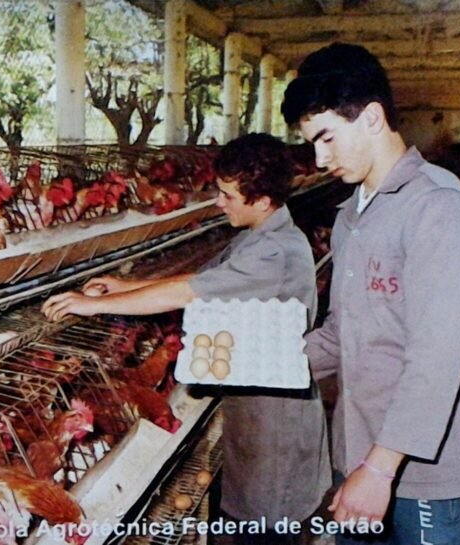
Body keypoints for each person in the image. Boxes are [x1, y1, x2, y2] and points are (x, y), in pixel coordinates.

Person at [43, 132, 331, 544]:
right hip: (254, 400)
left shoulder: (275, 253)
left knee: (267, 527)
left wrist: (95, 305)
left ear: (263, 201)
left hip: (276, 418)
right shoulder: (258, 235)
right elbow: (197, 277)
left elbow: (188, 292)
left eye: (228, 196)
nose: (219, 202)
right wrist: (124, 285)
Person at [281, 42, 460, 545]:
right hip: (360, 454)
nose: (318, 158)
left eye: (327, 138)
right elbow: (344, 332)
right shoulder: (353, 215)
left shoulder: (436, 208)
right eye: (312, 143)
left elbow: (438, 357)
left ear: (373, 118)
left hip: (425, 474)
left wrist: (380, 470)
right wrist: (269, 363)